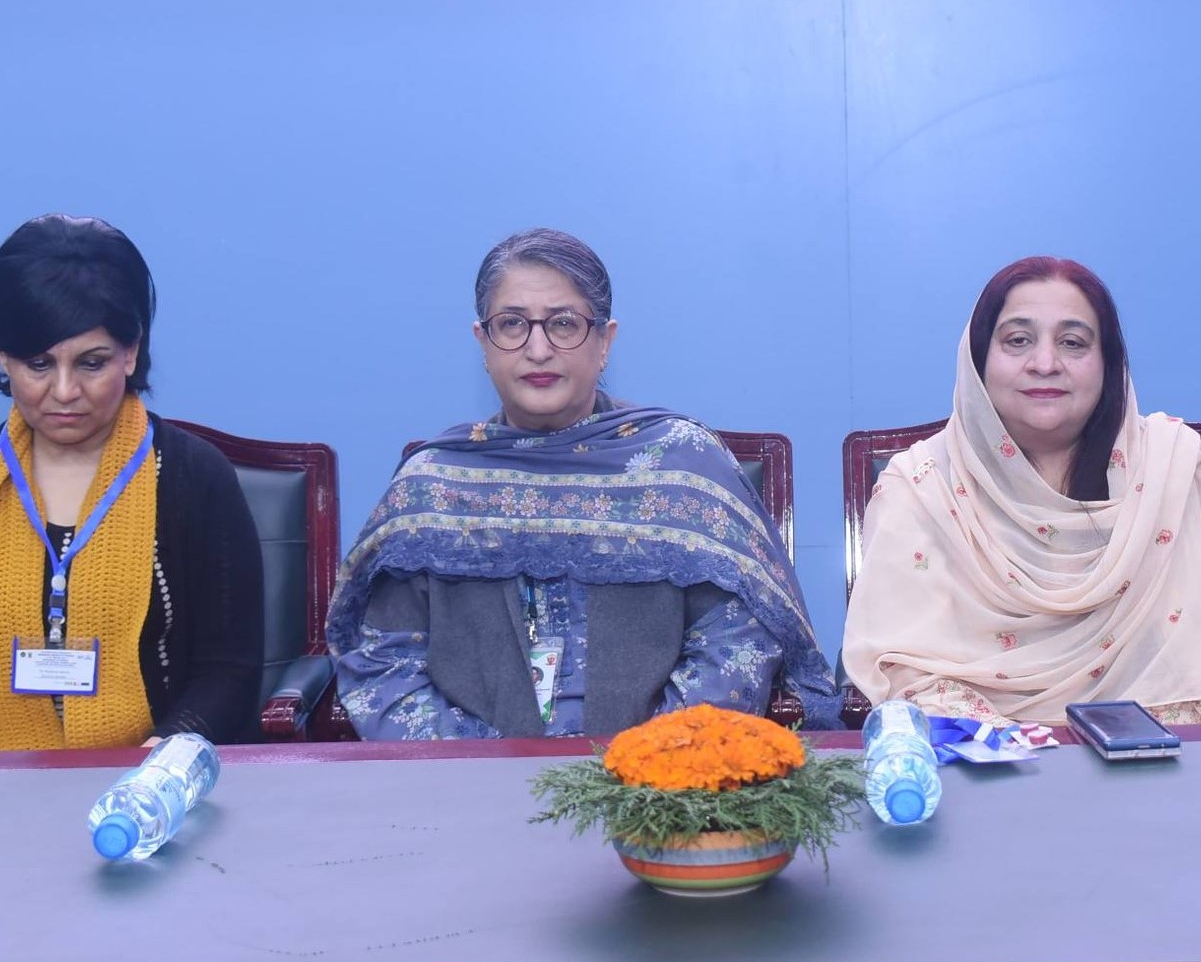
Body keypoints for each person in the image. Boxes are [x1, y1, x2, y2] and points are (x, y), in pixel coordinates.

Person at [328, 227, 840, 737]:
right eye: (512, 324)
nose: (538, 349)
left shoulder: (681, 467)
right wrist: (484, 763)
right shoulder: (435, 485)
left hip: (656, 773)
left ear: (604, 341)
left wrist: (644, 758)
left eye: (564, 324)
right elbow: (383, 662)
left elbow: (736, 643)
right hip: (466, 777)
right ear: (483, 343)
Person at [840, 256, 1201, 727]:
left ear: (1109, 364)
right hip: (979, 753)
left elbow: (1194, 664)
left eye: (1073, 343)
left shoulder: (1169, 470)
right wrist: (1017, 750)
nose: (1045, 364)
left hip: (1150, 749)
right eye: (1018, 340)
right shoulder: (921, 487)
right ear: (978, 358)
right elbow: (907, 671)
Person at [0, 215, 264, 752]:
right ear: (3, 357)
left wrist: (154, 771)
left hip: (158, 778)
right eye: (39, 364)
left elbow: (230, 671)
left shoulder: (193, 476)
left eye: (91, 364)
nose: (65, 391)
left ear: (131, 352)